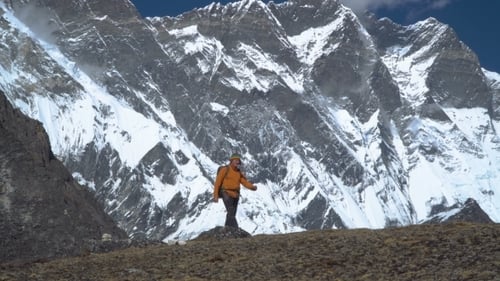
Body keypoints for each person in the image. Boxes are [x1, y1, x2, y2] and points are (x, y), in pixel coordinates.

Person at [213, 153, 257, 228]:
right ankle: (235, 228)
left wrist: (252, 187)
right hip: (226, 193)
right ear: (231, 161)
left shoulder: (238, 173)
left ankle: (227, 229)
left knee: (232, 213)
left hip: (235, 195)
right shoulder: (225, 170)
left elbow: (244, 182)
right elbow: (217, 182)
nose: (237, 162)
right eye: (236, 160)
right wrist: (215, 195)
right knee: (231, 211)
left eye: (238, 161)